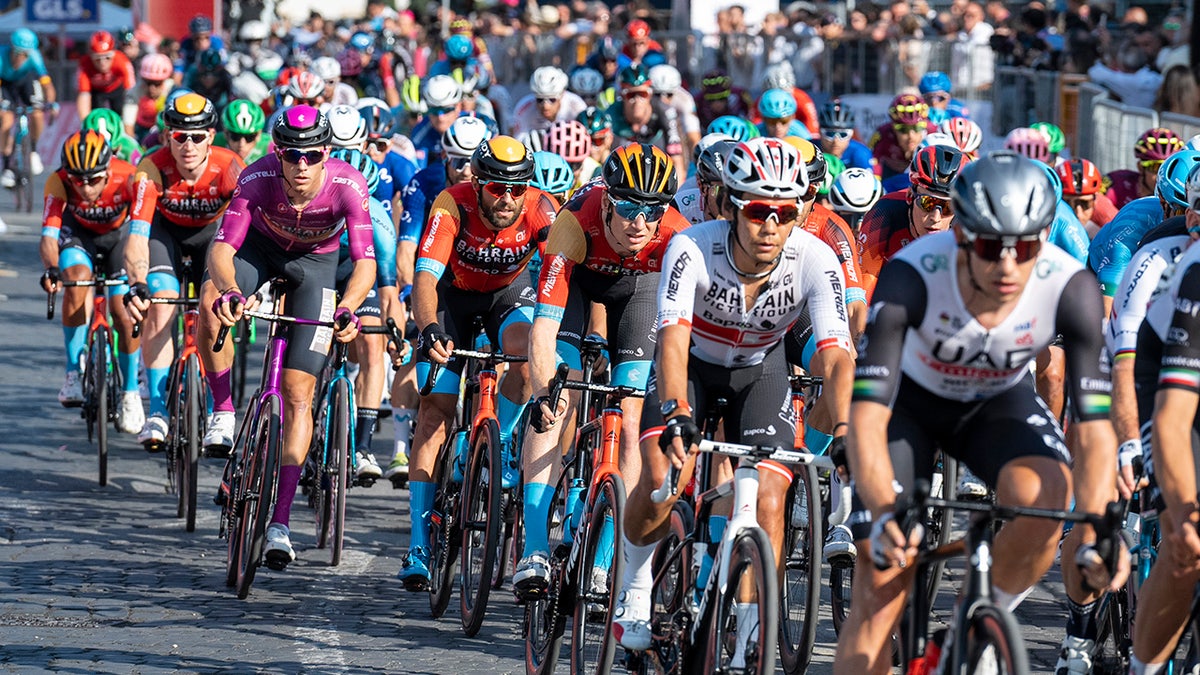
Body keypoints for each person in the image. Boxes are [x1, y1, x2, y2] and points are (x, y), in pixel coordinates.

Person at [834, 152, 1128, 674]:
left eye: (1028, 247)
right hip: (910, 406)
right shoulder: (914, 272)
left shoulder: (1070, 284)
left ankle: (976, 623)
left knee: (1050, 499)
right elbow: (868, 413)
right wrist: (882, 509)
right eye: (992, 247)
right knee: (882, 582)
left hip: (995, 402)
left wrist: (1101, 526)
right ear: (963, 237)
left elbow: (1095, 427)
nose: (1009, 266)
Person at [614, 138, 854, 656]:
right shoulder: (694, 245)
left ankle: (749, 636)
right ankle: (633, 585)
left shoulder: (817, 258)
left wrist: (845, 432)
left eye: (786, 212)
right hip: (692, 368)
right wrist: (677, 411)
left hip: (758, 371)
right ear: (731, 205)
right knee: (662, 479)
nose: (771, 226)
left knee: (769, 499)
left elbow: (836, 357)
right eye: (759, 210)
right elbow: (672, 338)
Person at [198, 105, 376, 568]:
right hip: (259, 252)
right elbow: (222, 249)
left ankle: (279, 522)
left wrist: (348, 307)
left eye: (312, 155)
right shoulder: (257, 180)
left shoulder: (347, 187)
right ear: (277, 152)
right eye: (292, 155)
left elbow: (365, 264)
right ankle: (223, 411)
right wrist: (232, 290)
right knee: (208, 303)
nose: (301, 165)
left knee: (299, 395)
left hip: (316, 267)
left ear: (326, 153)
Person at [515, 143, 689, 597]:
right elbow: (543, 331)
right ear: (609, 201)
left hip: (640, 291)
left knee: (632, 422)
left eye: (652, 210)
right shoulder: (573, 223)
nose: (639, 222)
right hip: (579, 284)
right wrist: (540, 391)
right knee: (559, 399)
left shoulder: (676, 235)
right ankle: (533, 547)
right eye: (629, 207)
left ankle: (605, 557)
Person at [398, 137, 558, 590]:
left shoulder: (542, 209)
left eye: (516, 189)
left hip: (506, 296)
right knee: (434, 415)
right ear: (478, 183)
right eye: (495, 189)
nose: (507, 198)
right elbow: (425, 279)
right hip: (452, 299)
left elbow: (561, 273)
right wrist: (428, 327)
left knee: (528, 354)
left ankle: (498, 438)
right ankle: (417, 542)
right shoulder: (452, 204)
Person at [122, 94, 246, 451]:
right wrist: (137, 283)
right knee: (160, 306)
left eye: (197, 136)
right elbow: (137, 237)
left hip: (213, 238)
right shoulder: (151, 167)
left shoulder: (229, 165)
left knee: (212, 308)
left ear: (211, 136)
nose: (188, 145)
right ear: (167, 138)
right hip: (167, 237)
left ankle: (216, 411)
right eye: (179, 136)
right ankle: (158, 411)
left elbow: (248, 229)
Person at [1121, 165, 1200, 675]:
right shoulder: (1188, 272)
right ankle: (1145, 667)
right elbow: (1172, 420)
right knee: (1185, 545)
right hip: (1163, 377)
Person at [384, 115, 493, 485]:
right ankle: (400, 445)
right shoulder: (426, 182)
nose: (464, 170)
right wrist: (410, 291)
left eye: (471, 161)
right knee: (417, 350)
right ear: (443, 158)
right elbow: (406, 248)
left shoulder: (492, 190)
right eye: (456, 161)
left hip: (482, 280)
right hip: (433, 278)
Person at [41, 131, 143, 434]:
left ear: (109, 168)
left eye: (94, 179)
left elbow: (141, 232)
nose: (85, 187)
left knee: (124, 313)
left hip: (118, 240)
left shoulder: (129, 177)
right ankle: (73, 372)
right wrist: (52, 269)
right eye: (78, 180)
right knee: (75, 279)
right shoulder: (57, 181)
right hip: (79, 236)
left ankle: (130, 393)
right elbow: (48, 237)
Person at [1089, 150, 1200, 316]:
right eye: (1182, 212)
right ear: (1163, 203)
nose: (1189, 223)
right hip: (1103, 277)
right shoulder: (1135, 219)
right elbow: (1108, 300)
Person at [858, 145, 966, 300]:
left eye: (948, 207)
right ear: (909, 195)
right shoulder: (883, 213)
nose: (935, 217)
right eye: (927, 203)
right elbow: (862, 294)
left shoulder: (966, 225)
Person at [0, 28, 58, 186]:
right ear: (12, 49)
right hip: (4, 84)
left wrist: (52, 103)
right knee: (5, 117)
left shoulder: (34, 57)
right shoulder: (1, 57)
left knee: (37, 113)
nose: (22, 58)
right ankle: (6, 166)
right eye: (19, 53)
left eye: (26, 54)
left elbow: (47, 85)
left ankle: (33, 150)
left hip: (24, 82)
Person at [607, 64, 685, 176]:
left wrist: (677, 192)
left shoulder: (665, 111)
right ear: (621, 95)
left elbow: (677, 161)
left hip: (658, 173)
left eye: (642, 94)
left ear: (650, 94)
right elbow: (602, 157)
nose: (637, 100)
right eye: (630, 95)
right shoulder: (611, 114)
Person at [1106, 128, 1184, 209]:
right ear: (1141, 167)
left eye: (1170, 168)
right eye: (1156, 167)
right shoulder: (1118, 185)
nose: (1163, 176)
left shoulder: (1184, 195)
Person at [870, 94, 934, 188]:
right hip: (891, 174)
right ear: (893, 128)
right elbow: (872, 165)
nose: (910, 136)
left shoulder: (933, 134)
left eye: (917, 128)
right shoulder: (882, 135)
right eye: (903, 129)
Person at [510, 67, 587, 139]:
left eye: (552, 99)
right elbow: (517, 141)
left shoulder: (577, 106)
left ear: (562, 94)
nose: (545, 106)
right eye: (540, 99)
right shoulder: (524, 108)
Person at [77, 31, 136, 123]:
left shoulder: (121, 60)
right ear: (91, 56)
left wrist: (129, 123)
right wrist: (85, 123)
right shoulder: (85, 64)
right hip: (97, 92)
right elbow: (84, 95)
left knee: (121, 114)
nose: (102, 63)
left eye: (107, 57)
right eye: (97, 59)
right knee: (95, 118)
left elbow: (131, 91)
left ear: (113, 53)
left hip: (116, 89)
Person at [408, 75, 463, 168]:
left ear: (458, 106)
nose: (440, 117)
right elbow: (419, 172)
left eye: (446, 110)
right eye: (434, 111)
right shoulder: (419, 134)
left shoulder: (478, 123)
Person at [1057, 158, 1116, 237]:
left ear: (1095, 200)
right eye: (1067, 205)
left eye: (1085, 204)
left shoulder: (1106, 214)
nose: (1078, 214)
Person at [818, 99, 874, 171]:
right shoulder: (809, 148)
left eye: (843, 134)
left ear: (852, 134)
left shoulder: (860, 152)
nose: (836, 140)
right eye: (830, 134)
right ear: (819, 132)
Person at [216, 99, 270, 164]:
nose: (242, 144)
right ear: (225, 133)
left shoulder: (270, 147)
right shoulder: (213, 144)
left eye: (249, 137)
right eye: (235, 136)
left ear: (259, 135)